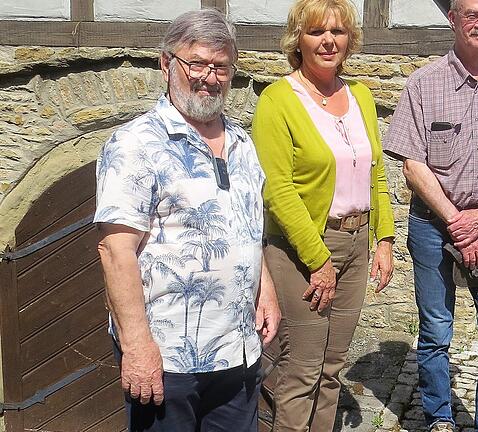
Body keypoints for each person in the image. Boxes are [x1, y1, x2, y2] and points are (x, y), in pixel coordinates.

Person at [95, 9, 280, 431]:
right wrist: (137, 347)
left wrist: (264, 287)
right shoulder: (134, 144)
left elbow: (245, 228)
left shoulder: (241, 142)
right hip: (168, 359)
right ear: (166, 64)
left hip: (239, 351)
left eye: (221, 66)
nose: (208, 77)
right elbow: (115, 250)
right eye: (196, 63)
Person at [383, 0, 478, 429]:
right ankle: (439, 417)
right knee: (436, 332)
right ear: (453, 20)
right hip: (434, 227)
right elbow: (413, 165)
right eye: (473, 15)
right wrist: (459, 223)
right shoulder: (422, 84)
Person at [251, 0, 396, 429]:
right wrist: (318, 260)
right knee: (301, 371)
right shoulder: (278, 101)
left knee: (332, 370)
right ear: (299, 40)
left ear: (350, 39)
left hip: (356, 241)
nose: (328, 40)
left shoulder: (361, 97)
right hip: (302, 250)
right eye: (317, 32)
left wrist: (384, 239)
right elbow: (277, 191)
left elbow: (377, 173)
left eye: (338, 31)